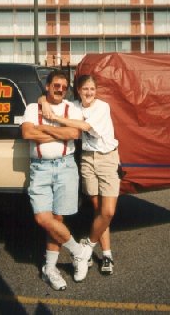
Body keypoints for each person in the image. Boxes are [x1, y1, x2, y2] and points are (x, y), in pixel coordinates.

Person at [21, 70, 94, 291]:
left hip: (65, 167)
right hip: (40, 168)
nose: (60, 89)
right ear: (48, 86)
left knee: (57, 220)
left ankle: (50, 269)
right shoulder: (34, 108)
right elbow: (27, 133)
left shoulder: (71, 108)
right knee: (43, 218)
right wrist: (56, 131)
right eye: (56, 85)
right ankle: (79, 252)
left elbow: (74, 134)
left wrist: (42, 128)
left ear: (67, 89)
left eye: (63, 86)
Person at [41, 74, 120, 277]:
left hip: (107, 158)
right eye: (85, 89)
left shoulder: (102, 107)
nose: (89, 93)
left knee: (108, 212)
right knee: (97, 209)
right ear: (78, 90)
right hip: (86, 159)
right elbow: (49, 99)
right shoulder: (75, 106)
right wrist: (43, 101)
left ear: (96, 91)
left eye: (92, 89)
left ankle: (87, 246)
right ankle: (107, 254)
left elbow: (85, 126)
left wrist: (56, 118)